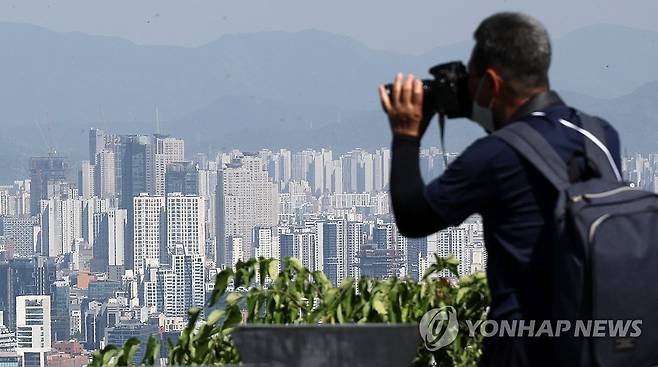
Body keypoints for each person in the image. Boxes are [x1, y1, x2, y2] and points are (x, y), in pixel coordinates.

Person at [378, 12, 621, 367]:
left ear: (491, 83)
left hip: (524, 349)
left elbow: (414, 217)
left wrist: (405, 133)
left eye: (472, 81)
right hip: (601, 343)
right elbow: (537, 149)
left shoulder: (496, 155)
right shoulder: (599, 134)